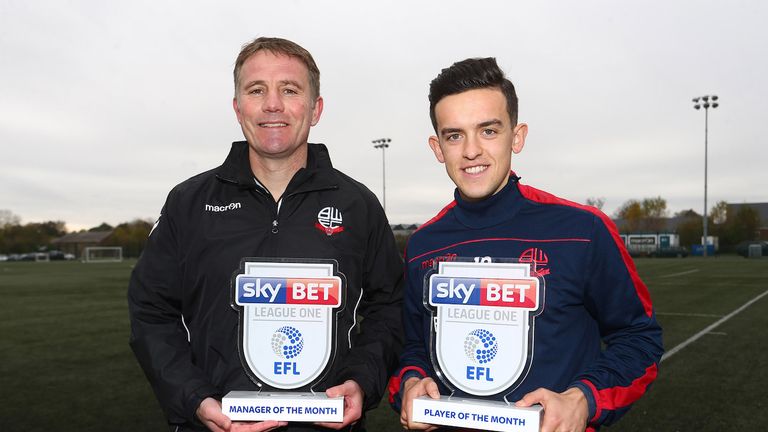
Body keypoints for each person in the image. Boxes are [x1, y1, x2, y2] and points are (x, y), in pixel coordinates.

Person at [128, 37, 403, 432]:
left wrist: (362, 380)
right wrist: (195, 399)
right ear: (238, 107)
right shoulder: (188, 203)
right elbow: (150, 312)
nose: (272, 104)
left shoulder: (359, 205)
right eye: (257, 90)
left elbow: (389, 306)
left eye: (289, 90)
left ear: (316, 108)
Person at [388, 57, 663, 432]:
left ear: (517, 136)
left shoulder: (583, 231)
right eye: (455, 135)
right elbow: (414, 348)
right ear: (438, 148)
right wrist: (409, 383)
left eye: (488, 131)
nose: (471, 151)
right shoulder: (424, 244)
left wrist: (584, 399)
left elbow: (639, 340)